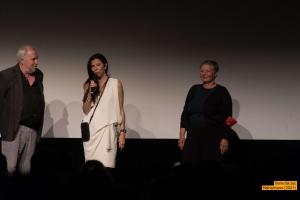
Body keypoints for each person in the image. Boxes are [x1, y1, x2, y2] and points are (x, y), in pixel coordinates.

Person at [178, 60, 239, 166]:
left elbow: (228, 118)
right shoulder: (194, 89)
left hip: (213, 136)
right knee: (189, 167)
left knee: (209, 169)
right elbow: (185, 113)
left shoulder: (222, 91)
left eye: (207, 71)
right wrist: (182, 136)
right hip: (193, 136)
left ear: (215, 73)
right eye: (202, 71)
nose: (204, 74)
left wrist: (224, 138)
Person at [0, 45, 45, 176]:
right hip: (14, 129)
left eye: (37, 59)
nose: (37, 62)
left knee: (26, 170)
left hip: (32, 130)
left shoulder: (39, 75)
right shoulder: (7, 76)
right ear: (22, 60)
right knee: (10, 167)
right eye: (33, 59)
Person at [82, 53, 126, 169]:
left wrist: (122, 132)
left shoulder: (116, 83)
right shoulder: (88, 84)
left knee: (107, 166)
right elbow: (85, 110)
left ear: (105, 65)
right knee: (90, 168)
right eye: (92, 66)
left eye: (98, 65)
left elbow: (121, 109)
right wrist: (91, 93)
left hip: (108, 132)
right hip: (92, 133)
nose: (95, 68)